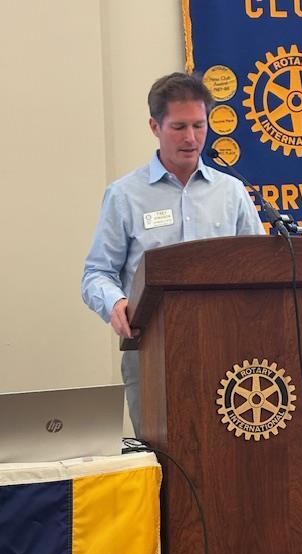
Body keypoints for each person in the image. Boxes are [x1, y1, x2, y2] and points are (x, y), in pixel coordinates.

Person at [81, 72, 265, 433]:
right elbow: (96, 274)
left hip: (228, 347)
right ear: (155, 126)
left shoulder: (232, 192)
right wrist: (115, 302)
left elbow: (261, 269)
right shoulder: (125, 195)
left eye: (199, 125)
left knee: (229, 453)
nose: (191, 138)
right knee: (159, 456)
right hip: (151, 350)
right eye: (179, 127)